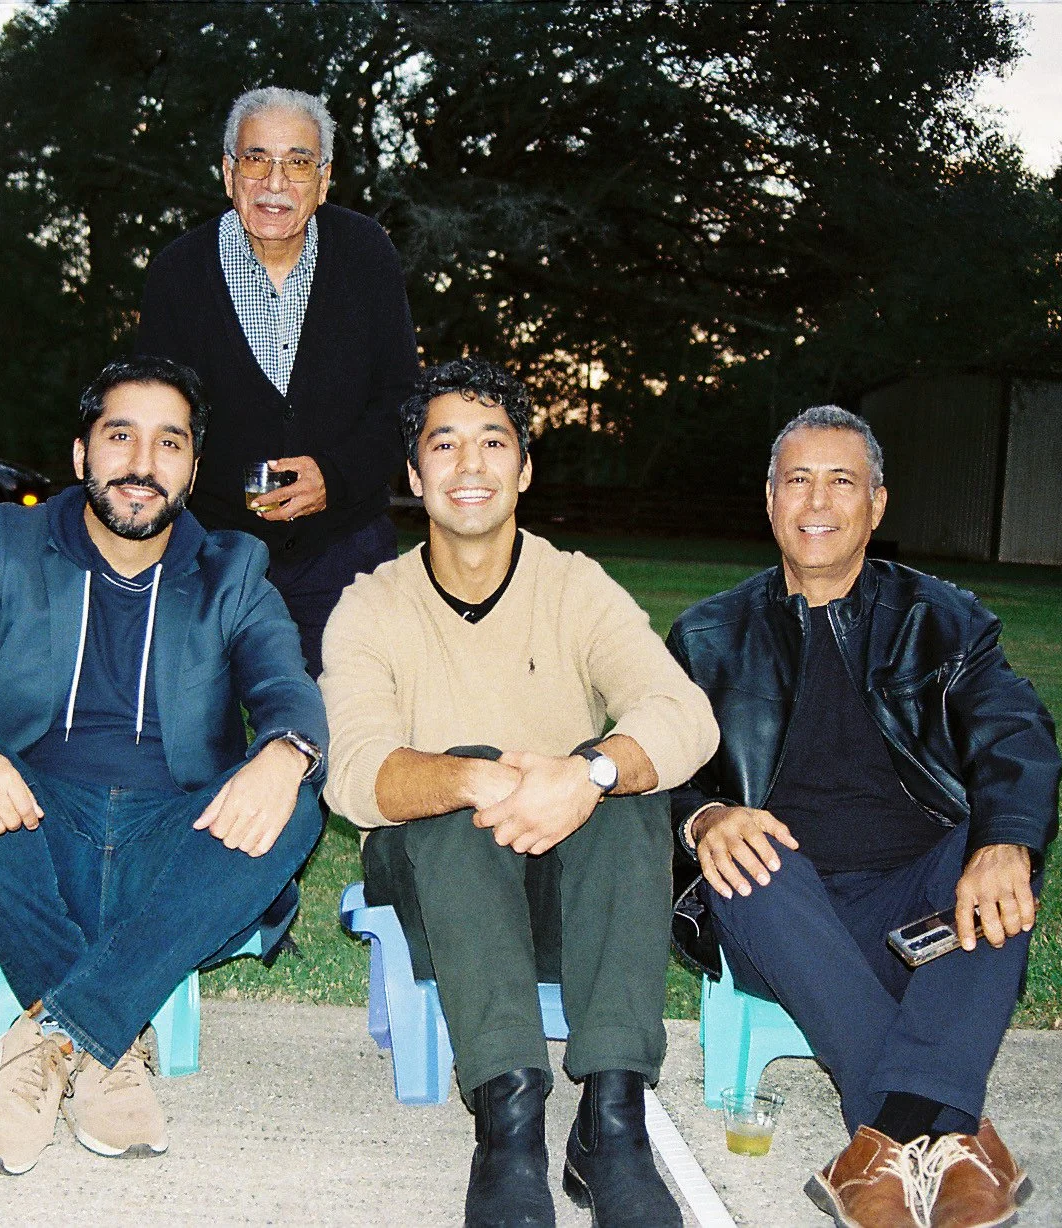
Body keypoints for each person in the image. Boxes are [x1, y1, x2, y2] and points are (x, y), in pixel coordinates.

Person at [0, 355, 326, 1176]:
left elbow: (285, 685)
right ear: (82, 452)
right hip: (29, 830)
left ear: (193, 468)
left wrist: (285, 750)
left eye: (169, 443)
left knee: (292, 796)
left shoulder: (233, 570)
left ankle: (55, 1037)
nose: (142, 463)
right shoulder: (12, 543)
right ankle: (111, 1044)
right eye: (121, 436)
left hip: (173, 843)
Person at [320, 359, 719, 1228]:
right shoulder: (370, 607)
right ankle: (508, 1126)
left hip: (569, 900)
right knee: (453, 785)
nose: (470, 465)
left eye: (493, 442)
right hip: (437, 893)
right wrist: (478, 777)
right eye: (444, 445)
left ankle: (612, 1124)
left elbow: (684, 714)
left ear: (525, 468)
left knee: (626, 786)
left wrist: (587, 775)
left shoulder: (575, 586)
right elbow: (351, 773)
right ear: (414, 474)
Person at [667, 406, 1060, 1228]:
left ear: (876, 504)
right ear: (770, 500)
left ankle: (883, 1146)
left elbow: (1016, 734)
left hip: (920, 909)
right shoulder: (707, 637)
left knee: (992, 854)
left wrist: (1005, 842)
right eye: (797, 480)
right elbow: (646, 764)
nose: (817, 501)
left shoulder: (941, 619)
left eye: (841, 481)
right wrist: (704, 815)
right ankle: (947, 1137)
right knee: (750, 850)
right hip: (781, 914)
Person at [137, 86, 419, 676]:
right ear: (228, 173)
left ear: (324, 179)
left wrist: (334, 478)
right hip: (211, 554)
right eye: (256, 159)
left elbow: (402, 399)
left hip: (344, 552)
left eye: (298, 162)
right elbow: (156, 421)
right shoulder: (177, 273)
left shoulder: (366, 254)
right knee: (189, 723)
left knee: (340, 721)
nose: (275, 182)